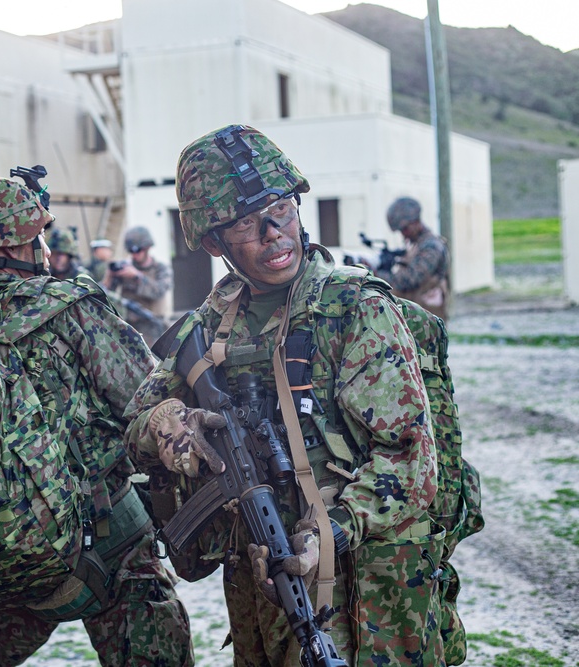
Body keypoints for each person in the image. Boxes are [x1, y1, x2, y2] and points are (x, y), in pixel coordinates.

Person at [123, 124, 443, 666]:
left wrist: (331, 532)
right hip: (258, 590)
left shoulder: (354, 309)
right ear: (212, 240)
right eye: (247, 222)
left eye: (283, 210)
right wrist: (172, 425)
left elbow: (412, 460)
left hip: (366, 594)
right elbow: (134, 425)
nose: (274, 233)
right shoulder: (211, 325)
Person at [0, 177, 192, 667]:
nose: (44, 244)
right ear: (14, 242)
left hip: (1, 550)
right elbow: (143, 398)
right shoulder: (72, 309)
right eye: (37, 234)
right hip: (106, 544)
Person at [376, 196, 450, 320]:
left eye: (405, 228)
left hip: (427, 321)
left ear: (416, 222)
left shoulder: (431, 247)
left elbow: (410, 279)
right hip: (415, 315)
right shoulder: (415, 244)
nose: (403, 233)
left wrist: (377, 275)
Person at [108, 226, 173, 347]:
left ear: (147, 248)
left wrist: (138, 277)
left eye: (137, 250)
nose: (133, 254)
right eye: (130, 251)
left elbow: (159, 291)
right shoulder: (125, 267)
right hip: (129, 326)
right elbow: (106, 293)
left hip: (154, 326)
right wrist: (110, 276)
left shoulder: (161, 268)